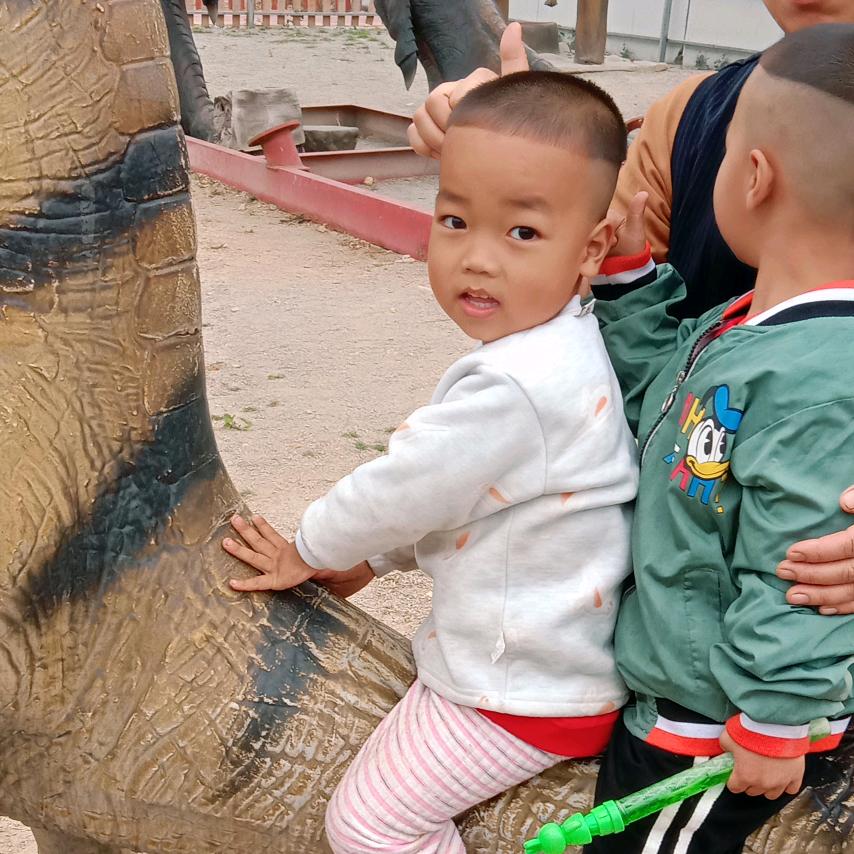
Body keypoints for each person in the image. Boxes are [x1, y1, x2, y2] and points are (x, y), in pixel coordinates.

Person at [222, 71, 640, 853]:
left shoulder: (519, 384)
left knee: (371, 825)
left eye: (521, 234)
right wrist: (374, 564)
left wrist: (310, 548)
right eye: (454, 220)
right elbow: (475, 494)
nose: (477, 259)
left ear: (590, 252)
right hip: (545, 667)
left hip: (520, 691)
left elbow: (407, 485)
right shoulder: (557, 348)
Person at [407, 9, 854, 618]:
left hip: (762, 665)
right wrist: (507, 148)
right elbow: (593, 308)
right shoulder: (691, 117)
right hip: (669, 624)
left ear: (753, 177)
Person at [584, 24, 854, 852]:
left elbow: (803, 567)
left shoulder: (818, 382)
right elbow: (664, 406)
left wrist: (774, 716)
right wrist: (630, 280)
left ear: (753, 175)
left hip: (713, 722)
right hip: (690, 688)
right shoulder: (747, 325)